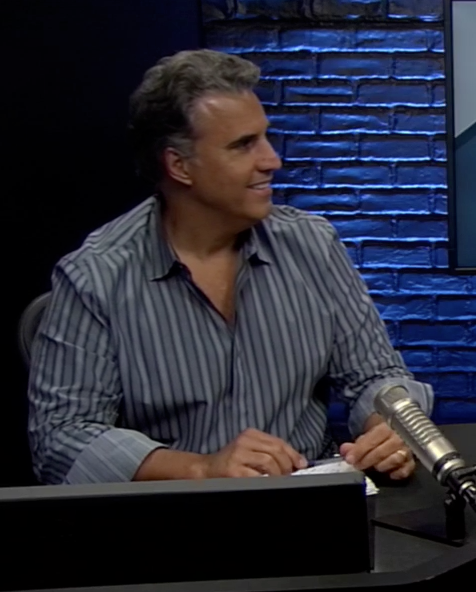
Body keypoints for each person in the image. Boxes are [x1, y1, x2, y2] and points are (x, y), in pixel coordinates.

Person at [28, 49, 432, 485]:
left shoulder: (312, 245)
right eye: (243, 145)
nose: (272, 160)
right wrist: (202, 469)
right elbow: (63, 439)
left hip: (306, 500)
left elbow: (378, 376)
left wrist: (389, 428)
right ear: (179, 165)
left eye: (265, 138)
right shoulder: (95, 276)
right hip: (172, 510)